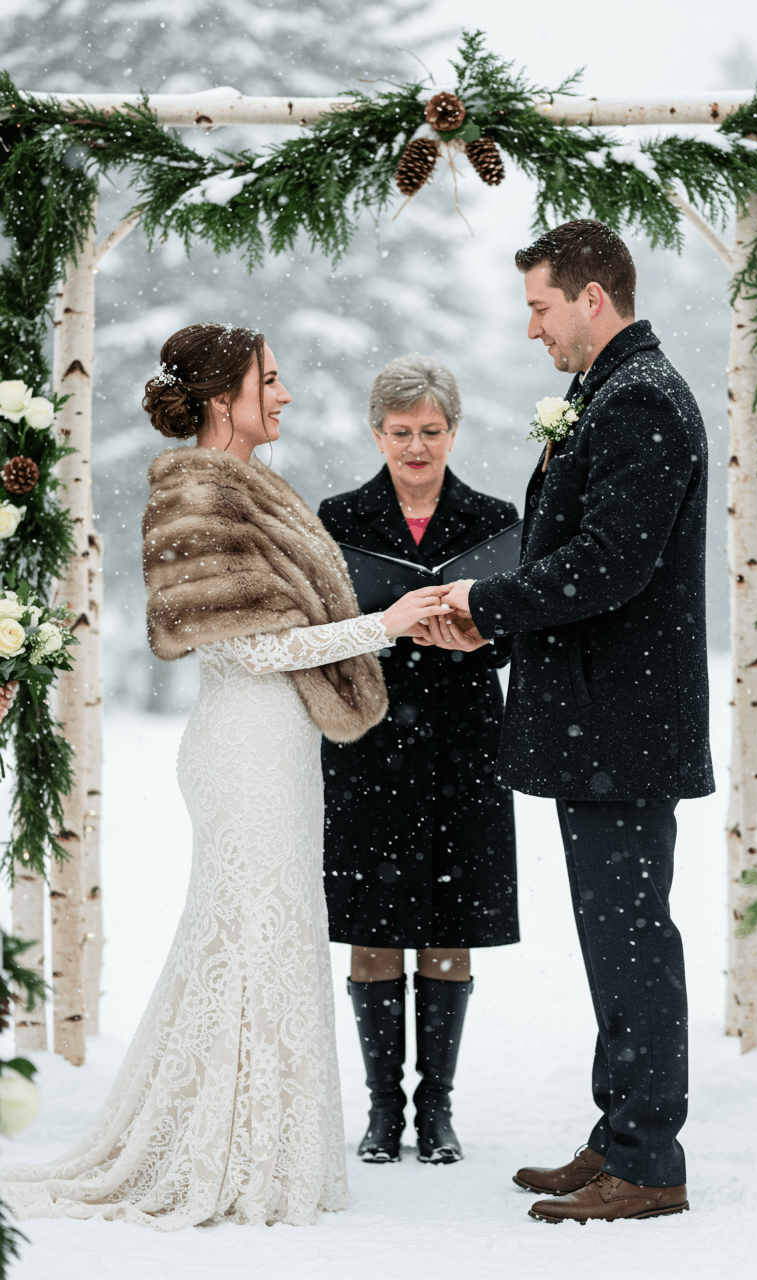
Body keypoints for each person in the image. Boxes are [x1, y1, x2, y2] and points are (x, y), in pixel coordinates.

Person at [0, 323, 452, 1230]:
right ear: (221, 400)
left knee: (268, 940)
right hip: (243, 744)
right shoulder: (198, 493)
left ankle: (261, 1140)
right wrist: (389, 623)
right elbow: (255, 647)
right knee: (247, 941)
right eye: (269, 381)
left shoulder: (247, 485)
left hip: (278, 743)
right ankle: (224, 1150)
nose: (283, 395)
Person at [434, 220, 714, 1223]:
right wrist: (490, 620)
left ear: (592, 297)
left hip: (623, 727)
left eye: (539, 306)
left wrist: (481, 604)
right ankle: (617, 1131)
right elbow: (583, 557)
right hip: (604, 721)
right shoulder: (612, 393)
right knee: (615, 935)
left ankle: (647, 1160)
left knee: (632, 937)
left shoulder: (641, 401)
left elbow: (607, 563)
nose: (530, 329)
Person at [317, 354, 519, 1165]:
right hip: (368, 742)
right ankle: (380, 1113)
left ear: (453, 430)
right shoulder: (337, 519)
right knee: (375, 926)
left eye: (430, 431)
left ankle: (435, 1111)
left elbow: (521, 627)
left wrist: (480, 631)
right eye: (400, 433)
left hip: (466, 739)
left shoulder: (497, 519)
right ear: (376, 433)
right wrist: (389, 629)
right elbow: (323, 630)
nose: (415, 447)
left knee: (451, 921)